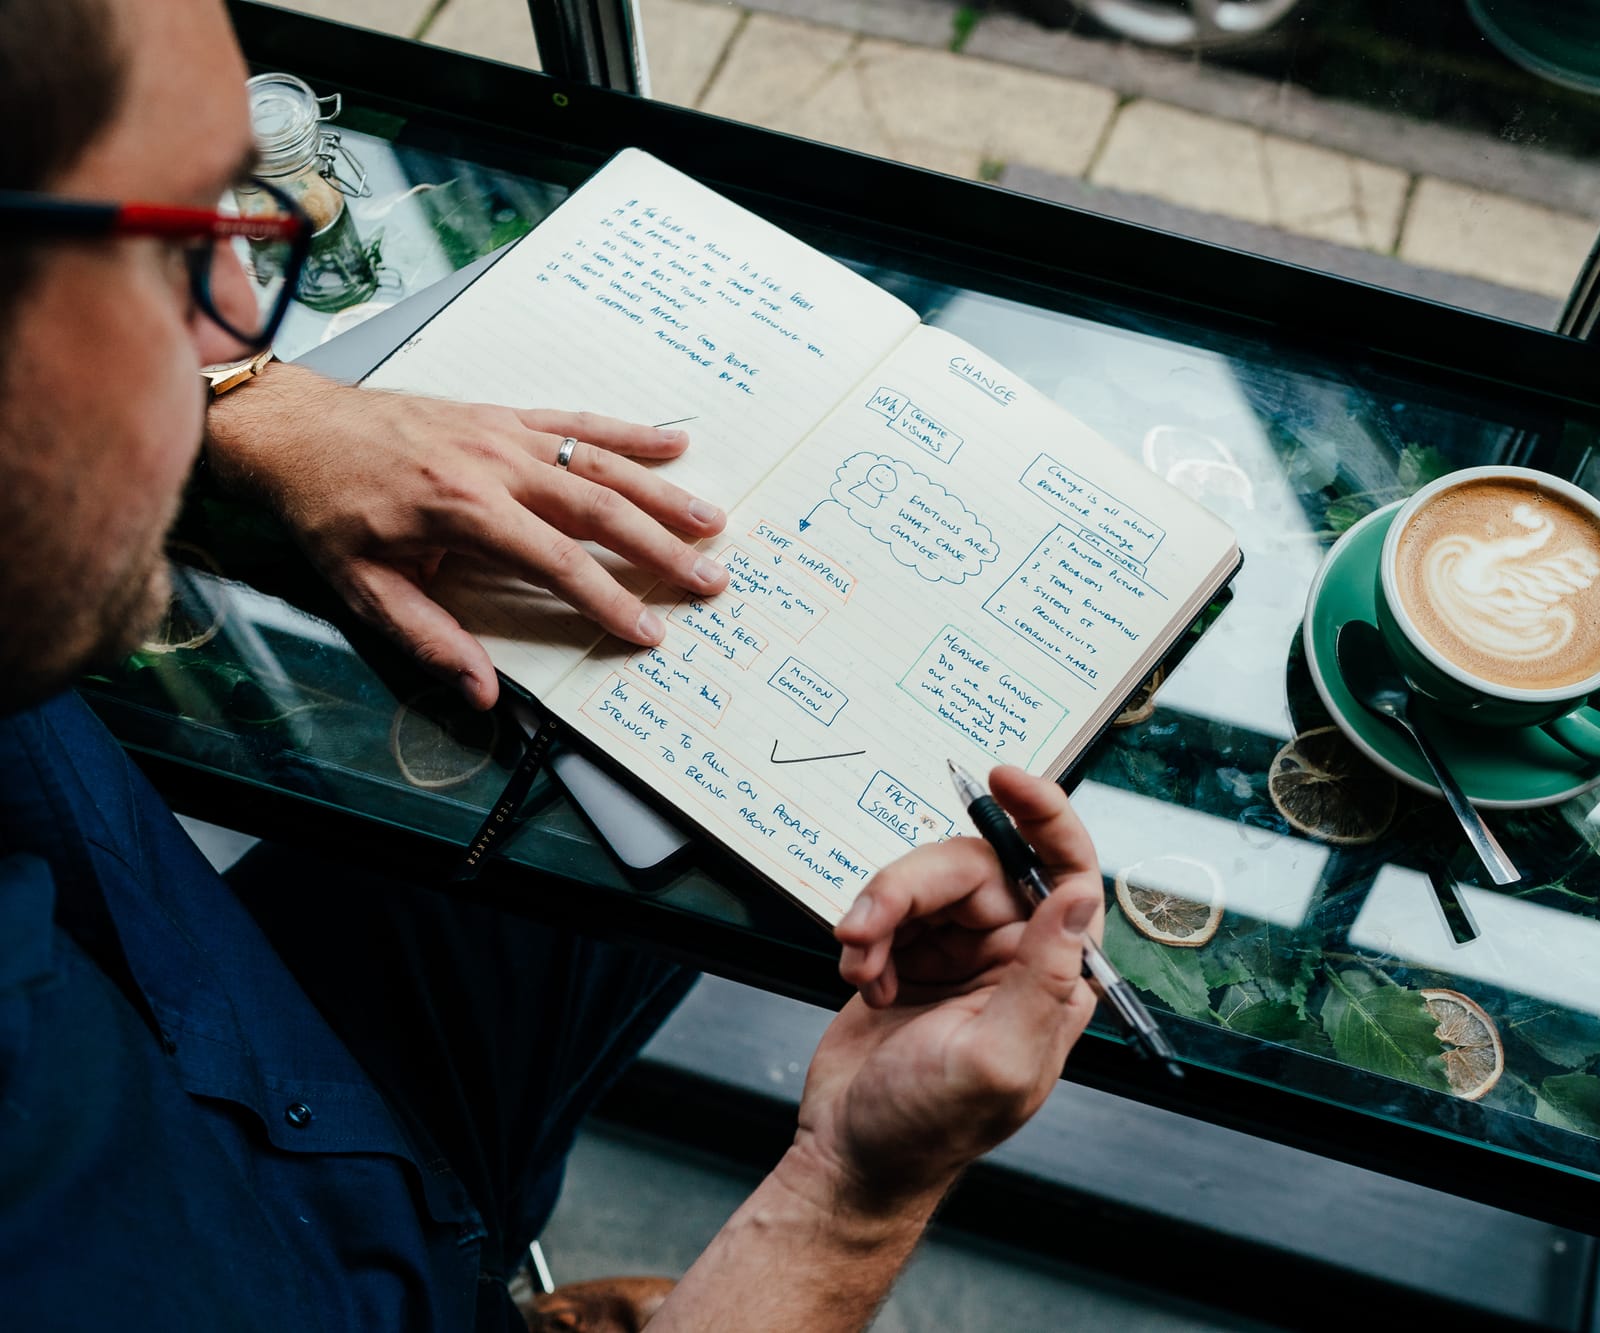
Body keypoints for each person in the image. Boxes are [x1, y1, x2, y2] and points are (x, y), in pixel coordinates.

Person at [0, 1, 1106, 1328]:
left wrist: (256, 411)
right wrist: (850, 1199)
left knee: (635, 832)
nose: (245, 318)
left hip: (230, 1049)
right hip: (356, 1257)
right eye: (177, 239)